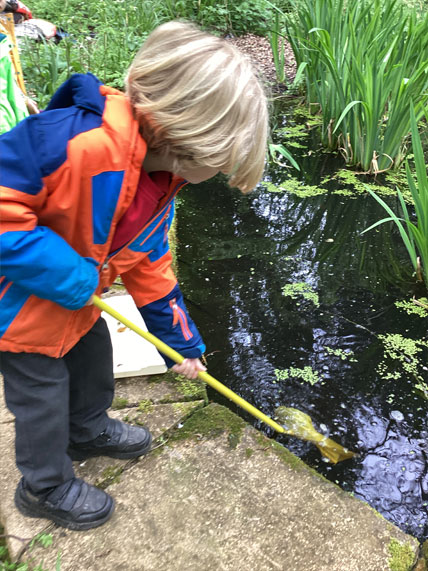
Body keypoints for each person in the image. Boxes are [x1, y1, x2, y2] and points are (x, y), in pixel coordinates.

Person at [0, 21, 268, 531]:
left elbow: (150, 266)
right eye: (221, 162)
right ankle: (44, 486)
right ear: (187, 135)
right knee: (41, 400)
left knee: (94, 359)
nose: (220, 175)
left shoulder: (161, 181)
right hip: (21, 314)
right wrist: (66, 274)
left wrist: (181, 343)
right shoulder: (78, 144)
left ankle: (88, 430)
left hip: (76, 308)